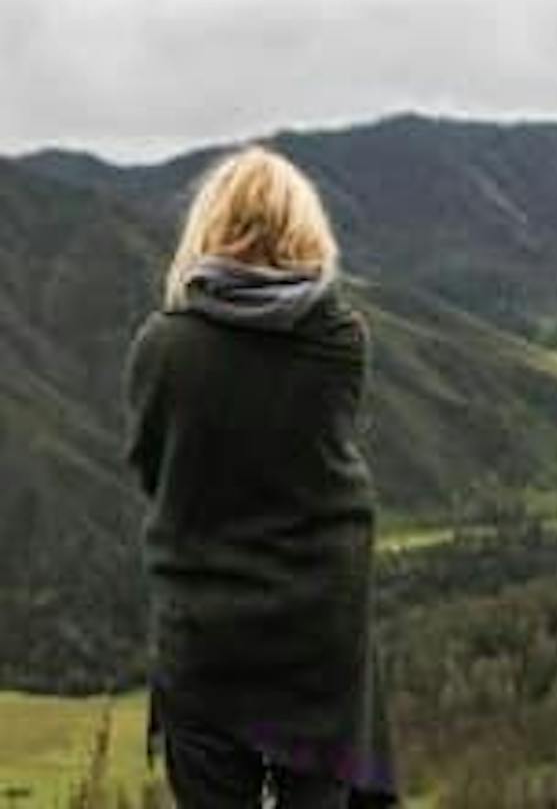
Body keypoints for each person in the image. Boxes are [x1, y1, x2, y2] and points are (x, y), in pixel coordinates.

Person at [121, 143, 401, 808]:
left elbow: (149, 465)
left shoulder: (163, 344)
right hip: (318, 644)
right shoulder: (341, 340)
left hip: (205, 641)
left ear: (209, 225)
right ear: (305, 229)